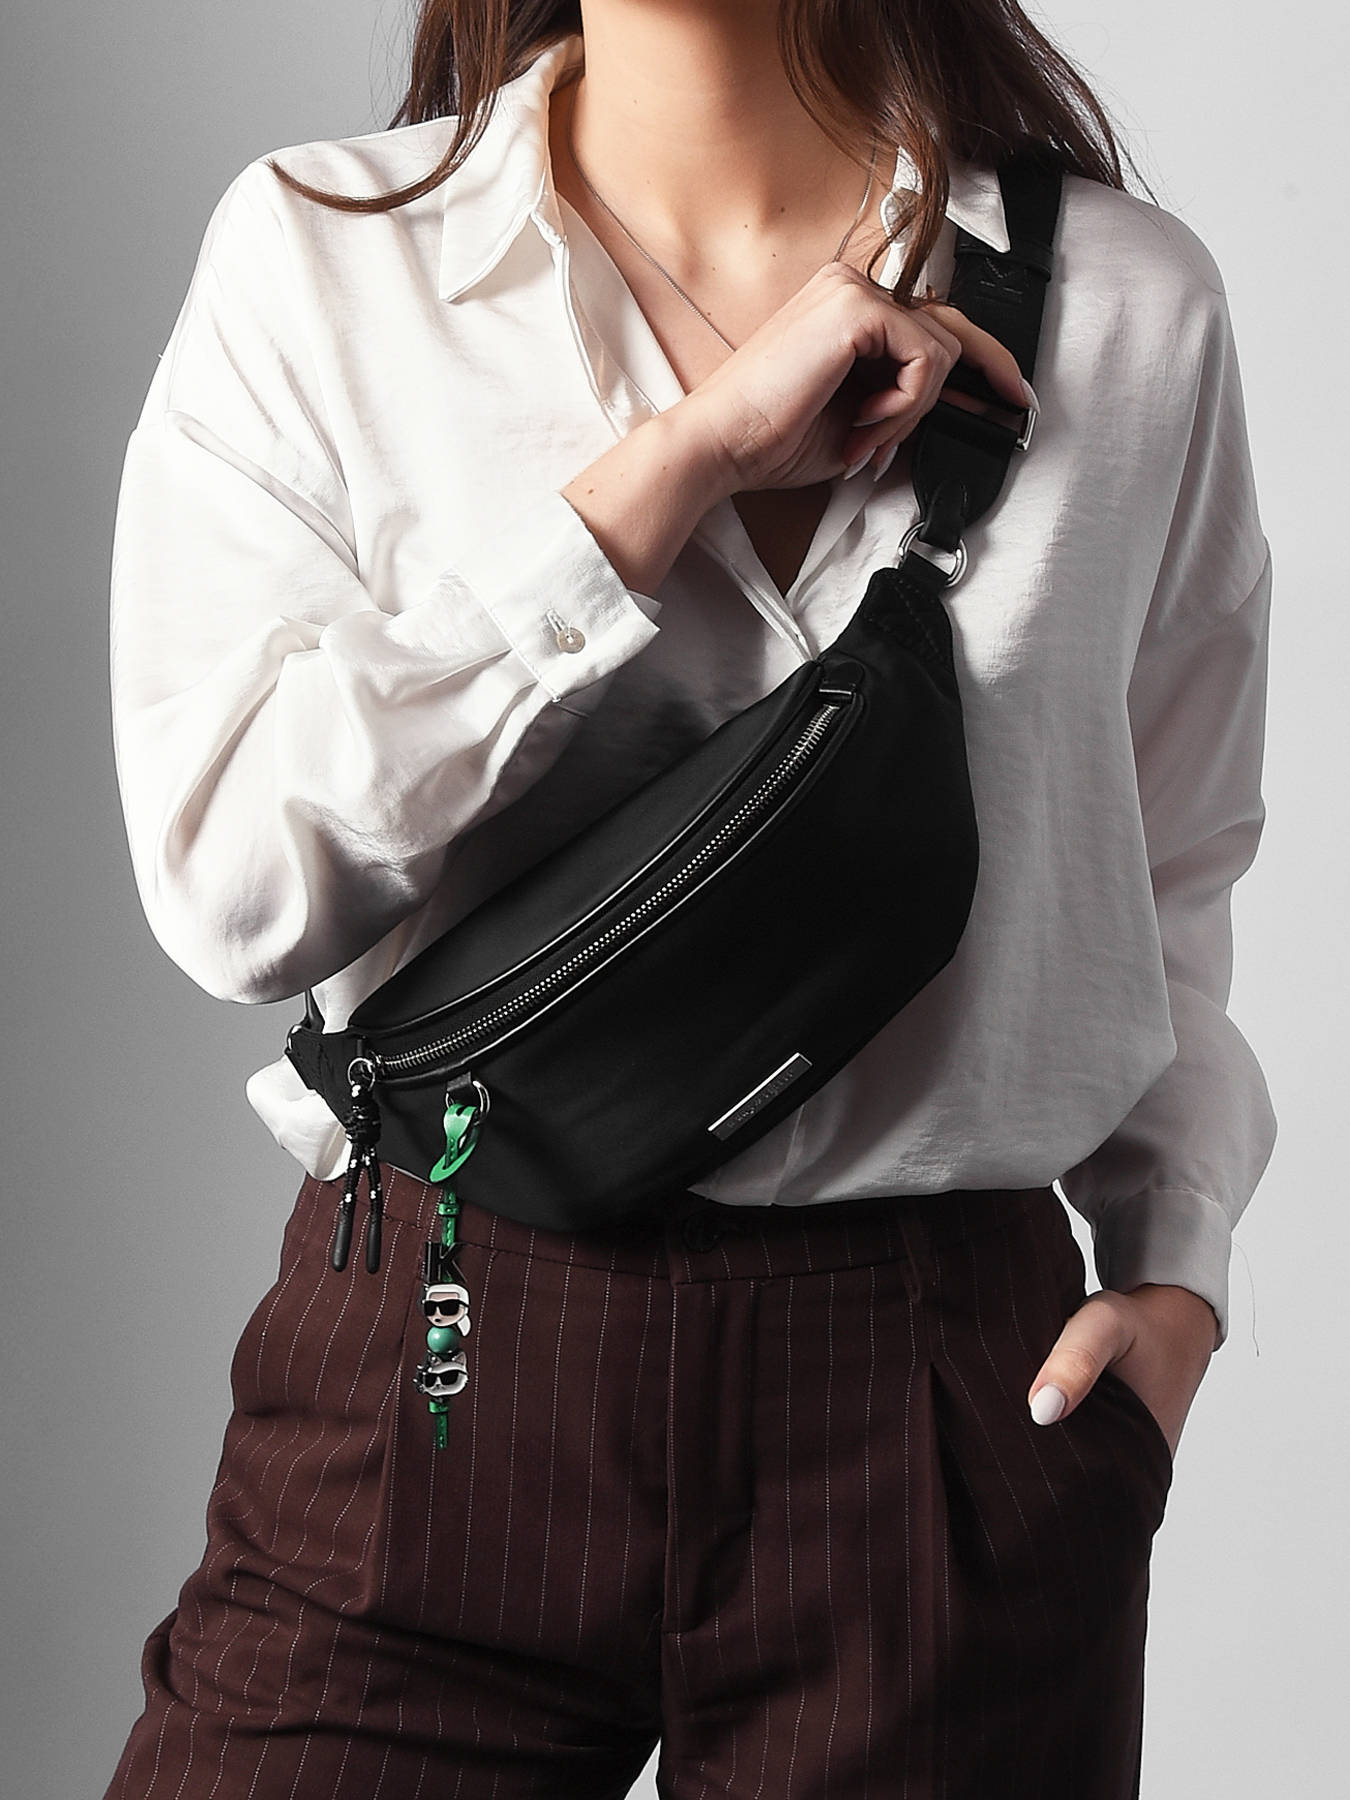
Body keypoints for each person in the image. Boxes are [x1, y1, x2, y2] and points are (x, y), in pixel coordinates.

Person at [101, 2, 1276, 1796]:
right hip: (446, 1336)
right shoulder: (329, 258)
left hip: (934, 1387)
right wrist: (667, 475)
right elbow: (230, 894)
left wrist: (1175, 1273)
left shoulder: (1129, 303)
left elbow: (1171, 857)